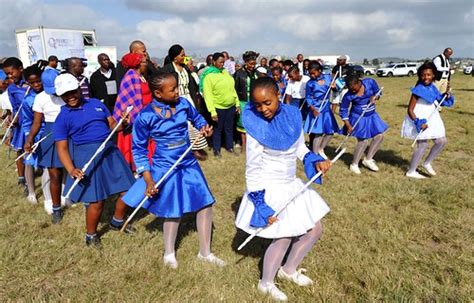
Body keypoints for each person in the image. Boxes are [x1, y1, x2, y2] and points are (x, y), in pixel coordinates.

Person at [235, 77, 331, 301]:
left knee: (315, 230)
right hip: (269, 187)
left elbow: (299, 148)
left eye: (267, 103)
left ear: (278, 95)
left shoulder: (292, 114)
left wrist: (314, 159)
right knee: (283, 237)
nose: (262, 109)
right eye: (257, 104)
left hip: (290, 183)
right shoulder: (255, 125)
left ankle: (288, 270)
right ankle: (265, 283)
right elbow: (252, 168)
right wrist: (260, 204)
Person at [122, 71, 225, 268]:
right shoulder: (145, 116)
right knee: (173, 208)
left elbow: (198, 119)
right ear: (158, 94)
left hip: (188, 162)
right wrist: (148, 179)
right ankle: (169, 253)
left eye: (177, 87)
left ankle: (205, 253)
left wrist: (204, 127)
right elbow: (139, 149)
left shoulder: (184, 104)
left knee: (205, 203)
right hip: (164, 165)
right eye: (173, 89)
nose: (178, 92)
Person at [53, 73, 135, 246]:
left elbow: (112, 126)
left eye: (73, 92)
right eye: (65, 95)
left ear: (79, 89)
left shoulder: (97, 104)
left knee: (128, 189)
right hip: (87, 156)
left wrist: (123, 123)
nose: (70, 97)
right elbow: (62, 148)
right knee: (97, 200)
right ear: (60, 96)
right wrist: (71, 169)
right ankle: (91, 235)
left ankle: (117, 221)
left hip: (110, 152)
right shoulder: (62, 117)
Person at [401, 62, 454, 179]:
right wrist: (418, 122)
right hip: (419, 118)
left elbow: (440, 100)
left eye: (429, 75)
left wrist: (446, 95)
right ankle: (411, 171)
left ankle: (426, 163)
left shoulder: (433, 88)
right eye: (423, 75)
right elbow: (409, 110)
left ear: (434, 75)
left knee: (441, 141)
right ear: (420, 76)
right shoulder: (417, 90)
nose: (426, 77)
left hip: (432, 117)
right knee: (423, 145)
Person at [24, 67, 65, 218]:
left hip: (68, 131)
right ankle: (51, 203)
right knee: (52, 170)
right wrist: (29, 140)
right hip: (50, 133)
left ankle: (65, 196)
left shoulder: (67, 93)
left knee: (67, 168)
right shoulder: (40, 98)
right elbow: (36, 122)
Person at [161, 44, 208, 160]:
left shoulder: (186, 69)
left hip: (188, 99)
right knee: (184, 124)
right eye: (182, 55)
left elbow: (191, 86)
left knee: (193, 123)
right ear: (175, 57)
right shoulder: (168, 70)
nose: (184, 57)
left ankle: (197, 148)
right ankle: (185, 149)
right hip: (176, 100)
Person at [339, 74, 388, 174]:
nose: (352, 91)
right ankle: (354, 164)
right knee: (363, 141)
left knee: (379, 136)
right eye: (350, 89)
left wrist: (376, 97)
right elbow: (343, 110)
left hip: (371, 116)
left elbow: (378, 92)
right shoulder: (348, 95)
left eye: (354, 89)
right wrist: (348, 124)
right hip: (358, 117)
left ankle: (368, 159)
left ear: (359, 82)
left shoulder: (370, 82)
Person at [113, 52, 154, 171]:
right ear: (137, 64)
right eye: (143, 62)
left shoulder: (141, 76)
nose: (146, 64)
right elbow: (130, 100)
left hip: (147, 115)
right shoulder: (131, 76)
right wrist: (136, 118)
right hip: (136, 120)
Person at [201, 52, 240, 157]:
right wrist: (212, 111)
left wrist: (237, 103)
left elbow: (232, 89)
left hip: (230, 106)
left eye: (223, 62)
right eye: (220, 62)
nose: (222, 64)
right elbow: (207, 95)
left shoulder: (225, 73)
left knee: (229, 128)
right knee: (218, 129)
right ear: (213, 62)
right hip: (218, 107)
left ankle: (229, 147)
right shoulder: (208, 76)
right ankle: (217, 150)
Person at [303, 61, 340, 159]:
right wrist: (313, 109)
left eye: (314, 73)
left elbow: (337, 90)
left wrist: (334, 87)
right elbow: (308, 98)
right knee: (318, 133)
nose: (312, 75)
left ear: (319, 71)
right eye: (310, 73)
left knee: (330, 132)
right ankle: (315, 155)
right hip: (316, 108)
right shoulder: (309, 83)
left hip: (326, 108)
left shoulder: (328, 78)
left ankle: (321, 149)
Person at [21, 65, 46, 205]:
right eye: (32, 83)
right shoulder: (28, 100)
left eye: (38, 81)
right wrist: (29, 138)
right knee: (29, 161)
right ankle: (31, 192)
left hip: (49, 132)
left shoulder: (50, 94)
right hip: (34, 134)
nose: (36, 85)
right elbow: (27, 121)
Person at [3, 57, 28, 193]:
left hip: (32, 119)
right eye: (7, 74)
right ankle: (21, 177)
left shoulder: (30, 84)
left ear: (20, 69)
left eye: (11, 73)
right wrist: (12, 120)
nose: (10, 76)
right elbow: (14, 107)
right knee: (20, 150)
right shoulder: (11, 89)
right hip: (20, 122)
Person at [234, 51, 258, 152]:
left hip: (254, 102)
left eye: (254, 64)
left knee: (253, 123)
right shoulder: (239, 74)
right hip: (243, 102)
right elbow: (234, 89)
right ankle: (244, 147)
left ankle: (252, 146)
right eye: (251, 64)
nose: (253, 66)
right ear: (245, 62)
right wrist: (237, 104)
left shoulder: (256, 73)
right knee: (243, 125)